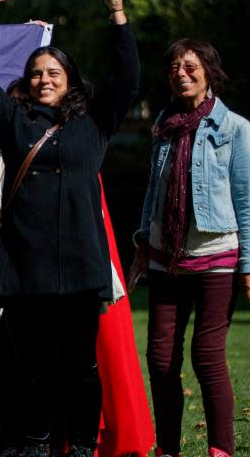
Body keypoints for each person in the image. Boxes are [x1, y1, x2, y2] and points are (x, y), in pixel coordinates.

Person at [0, 0, 139, 457]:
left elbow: (127, 77)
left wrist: (117, 14)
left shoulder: (95, 123)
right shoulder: (14, 124)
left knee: (82, 366)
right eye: (37, 74)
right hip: (26, 272)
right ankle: (36, 445)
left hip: (82, 267)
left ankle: (83, 446)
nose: (44, 80)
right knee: (34, 366)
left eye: (54, 73)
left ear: (70, 80)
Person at [129, 39, 250, 457]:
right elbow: (154, 191)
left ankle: (220, 449)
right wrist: (143, 241)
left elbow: (245, 198)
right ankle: (168, 449)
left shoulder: (235, 128)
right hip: (166, 259)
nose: (181, 73)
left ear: (208, 72)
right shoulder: (163, 124)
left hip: (217, 255)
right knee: (161, 358)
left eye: (190, 67)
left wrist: (248, 264)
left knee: (206, 355)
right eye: (174, 68)